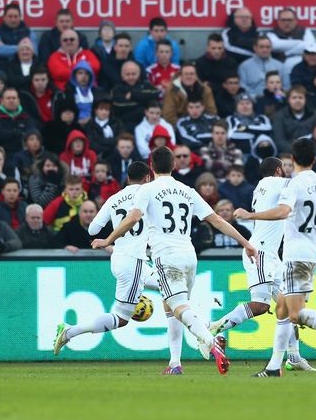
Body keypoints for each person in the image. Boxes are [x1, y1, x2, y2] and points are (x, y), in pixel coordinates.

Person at [92, 146, 257, 375]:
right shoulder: (187, 190)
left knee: (179, 307)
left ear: (151, 167)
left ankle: (212, 342)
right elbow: (216, 219)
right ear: (173, 166)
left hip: (166, 256)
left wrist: (108, 239)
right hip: (189, 255)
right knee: (171, 306)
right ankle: (175, 363)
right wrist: (246, 242)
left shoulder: (147, 190)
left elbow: (133, 217)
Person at [234, 137, 316, 377]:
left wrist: (250, 215)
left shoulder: (293, 185)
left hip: (294, 256)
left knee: (293, 313)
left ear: (292, 160)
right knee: (281, 309)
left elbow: (282, 212)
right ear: (314, 159)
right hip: (311, 255)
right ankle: (273, 368)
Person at [208, 157, 314, 370]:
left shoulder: (262, 187)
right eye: (284, 169)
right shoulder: (275, 183)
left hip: (271, 255)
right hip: (261, 253)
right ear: (278, 171)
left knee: (289, 305)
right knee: (260, 306)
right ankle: (213, 328)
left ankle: (293, 357)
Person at [53, 162, 151, 355]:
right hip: (134, 260)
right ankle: (70, 331)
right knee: (121, 319)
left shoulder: (114, 198)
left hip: (118, 258)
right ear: (147, 178)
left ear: (128, 179)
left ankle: (204, 334)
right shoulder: (149, 195)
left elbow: (92, 229)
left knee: (171, 290)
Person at [111, 61, 160, 131]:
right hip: (126, 124)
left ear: (139, 74)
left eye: (134, 74)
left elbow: (155, 94)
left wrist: (133, 94)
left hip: (148, 122)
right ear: (122, 76)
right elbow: (118, 105)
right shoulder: (117, 89)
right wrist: (143, 103)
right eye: (128, 74)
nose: (131, 77)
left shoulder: (146, 84)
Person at [0, 3, 38, 69]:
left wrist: (5, 47)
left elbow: (34, 52)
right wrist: (23, 47)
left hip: (23, 70)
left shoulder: (29, 32)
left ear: (20, 17)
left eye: (16, 16)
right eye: (10, 16)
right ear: (4, 17)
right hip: (3, 69)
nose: (13, 20)